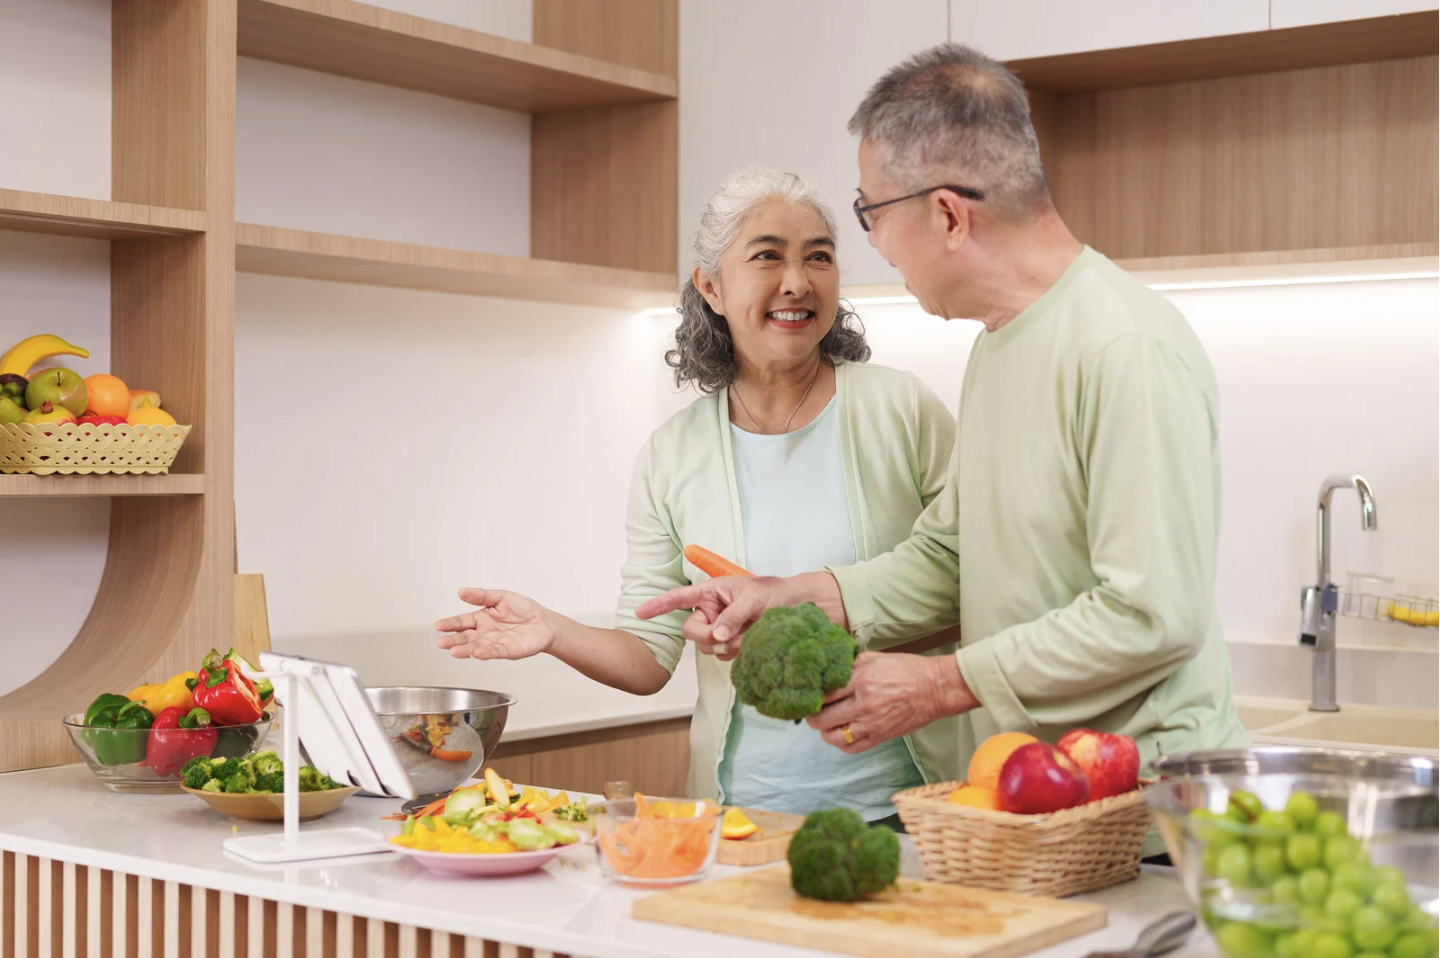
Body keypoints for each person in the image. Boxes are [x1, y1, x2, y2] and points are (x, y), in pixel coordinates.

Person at [637, 46, 1248, 797]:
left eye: (871, 213)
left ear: (948, 214)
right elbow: (951, 554)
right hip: (1029, 789)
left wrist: (943, 682)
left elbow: (1152, 615)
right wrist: (796, 593)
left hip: (1147, 807)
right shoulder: (1000, 344)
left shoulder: (1126, 346)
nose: (870, 246)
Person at [435, 168, 962, 822]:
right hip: (741, 815)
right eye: (768, 255)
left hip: (917, 808)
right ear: (710, 286)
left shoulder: (902, 410)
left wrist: (823, 618)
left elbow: (977, 585)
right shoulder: (672, 455)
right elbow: (648, 656)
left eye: (818, 257)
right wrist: (551, 631)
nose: (797, 281)